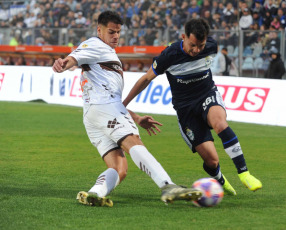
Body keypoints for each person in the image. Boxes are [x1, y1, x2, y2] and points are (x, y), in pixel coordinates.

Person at [52, 11, 202, 207]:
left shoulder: (106, 53)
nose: (115, 36)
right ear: (99, 30)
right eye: (111, 32)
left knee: (119, 167)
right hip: (103, 108)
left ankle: (94, 193)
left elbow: (113, 100)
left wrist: (137, 118)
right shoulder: (96, 44)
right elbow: (74, 58)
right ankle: (168, 185)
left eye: (118, 32)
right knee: (134, 142)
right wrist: (64, 63)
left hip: (93, 115)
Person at [123, 18, 262, 196]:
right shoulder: (169, 55)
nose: (196, 51)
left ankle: (244, 173)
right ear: (184, 37)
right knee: (212, 161)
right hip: (186, 109)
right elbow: (145, 79)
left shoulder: (212, 46)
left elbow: (205, 50)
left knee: (219, 123)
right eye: (193, 45)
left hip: (207, 95)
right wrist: (125, 103)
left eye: (201, 46)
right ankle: (220, 179)